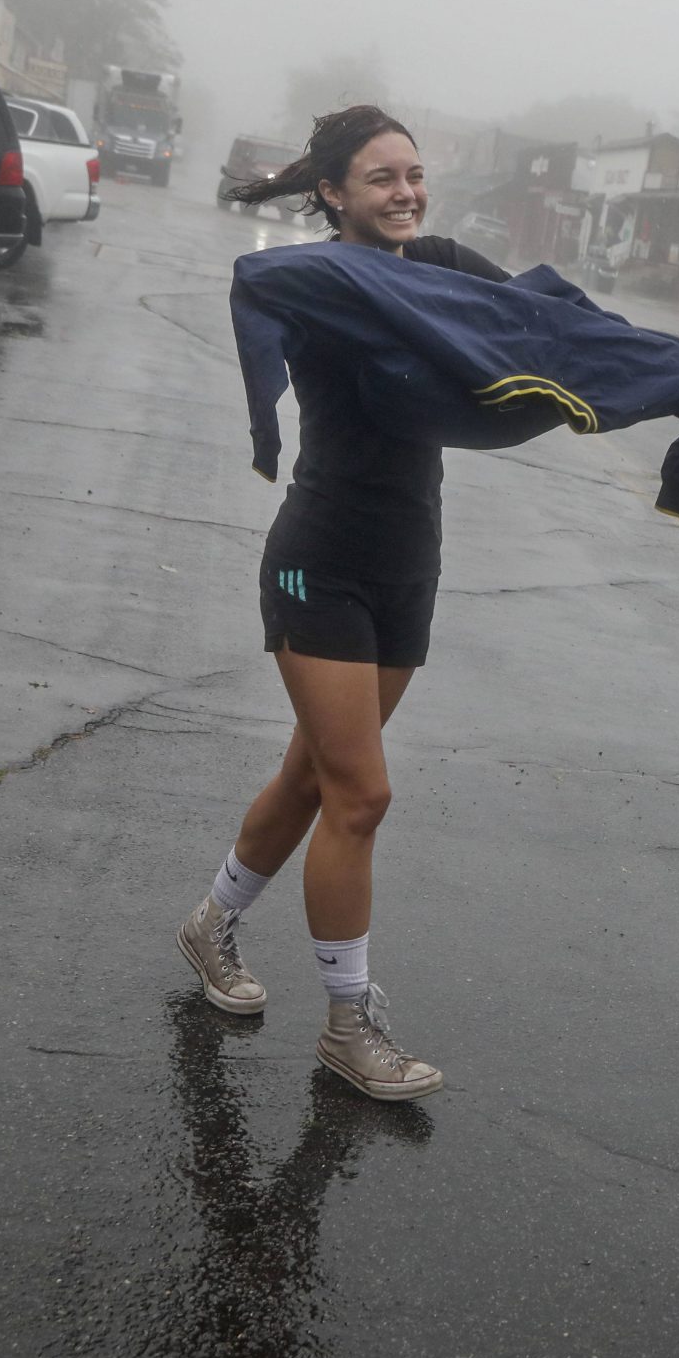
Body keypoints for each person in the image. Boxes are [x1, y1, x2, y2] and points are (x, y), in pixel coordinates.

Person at [176, 104, 507, 1103]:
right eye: (380, 178)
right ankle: (348, 1024)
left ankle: (210, 924)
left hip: (409, 558)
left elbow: (547, 325)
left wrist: (665, 377)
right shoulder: (314, 283)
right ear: (334, 193)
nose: (405, 192)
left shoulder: (444, 261)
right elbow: (264, 301)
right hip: (316, 561)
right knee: (362, 795)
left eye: (412, 174)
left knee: (316, 779)